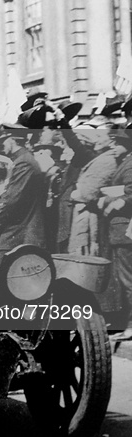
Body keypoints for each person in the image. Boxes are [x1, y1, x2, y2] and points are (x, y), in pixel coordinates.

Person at [0, 131, 47, 266]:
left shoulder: (23, 162)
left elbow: (12, 198)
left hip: (21, 232)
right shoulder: (22, 159)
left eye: (3, 141)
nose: (1, 146)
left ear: (12, 139)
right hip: (21, 229)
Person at [100, 143, 132, 340]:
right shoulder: (126, 161)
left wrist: (111, 205)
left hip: (124, 230)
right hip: (122, 230)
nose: (112, 144)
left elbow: (130, 193)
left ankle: (130, 326)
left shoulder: (129, 164)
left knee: (128, 279)